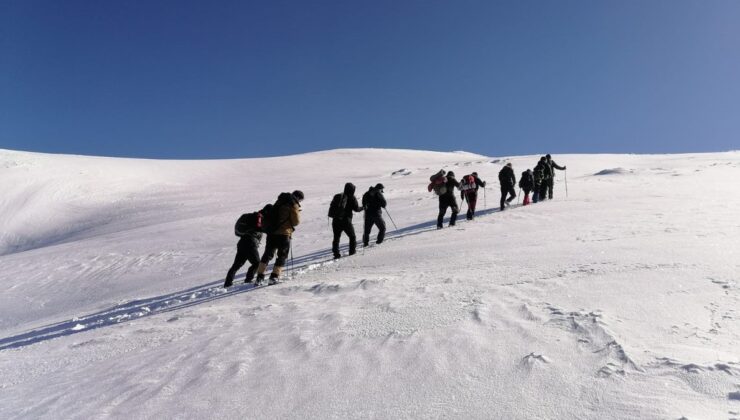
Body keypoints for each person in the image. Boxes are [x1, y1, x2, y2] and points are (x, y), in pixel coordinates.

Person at [255, 190, 304, 285]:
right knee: (282, 255)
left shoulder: (279, 201)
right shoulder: (293, 204)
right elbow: (296, 222)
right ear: (298, 198)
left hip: (271, 233)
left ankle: (259, 278)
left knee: (267, 254)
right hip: (284, 234)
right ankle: (274, 277)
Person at [224, 217, 262, 288]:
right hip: (250, 244)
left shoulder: (250, 222)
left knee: (236, 265)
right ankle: (248, 279)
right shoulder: (260, 223)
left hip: (241, 243)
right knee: (257, 263)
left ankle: (227, 283)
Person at [329, 183, 362, 259]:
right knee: (352, 236)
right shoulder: (352, 197)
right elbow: (356, 209)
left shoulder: (338, 196)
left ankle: (336, 254)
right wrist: (363, 208)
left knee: (336, 238)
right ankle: (352, 252)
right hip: (346, 221)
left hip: (336, 221)